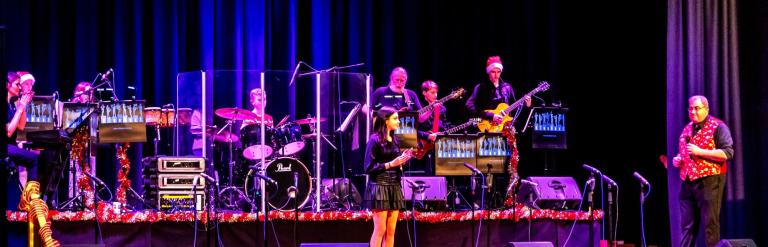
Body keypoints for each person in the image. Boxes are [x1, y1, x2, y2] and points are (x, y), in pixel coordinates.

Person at [672, 95, 733, 247]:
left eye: (697, 108)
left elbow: (727, 153)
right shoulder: (687, 129)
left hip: (710, 180)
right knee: (687, 226)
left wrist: (701, 151)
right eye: (690, 108)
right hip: (688, 181)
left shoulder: (718, 126)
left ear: (706, 109)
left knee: (710, 225)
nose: (693, 112)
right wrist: (678, 159)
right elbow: (686, 153)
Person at [363, 106, 414, 247]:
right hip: (380, 186)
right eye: (395, 118)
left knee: (391, 230)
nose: (398, 122)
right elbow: (368, 167)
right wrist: (391, 164)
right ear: (386, 120)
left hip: (394, 186)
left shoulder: (395, 139)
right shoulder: (374, 140)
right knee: (380, 229)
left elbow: (395, 162)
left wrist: (402, 160)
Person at [465, 56, 531, 129]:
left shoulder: (507, 87)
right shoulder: (480, 87)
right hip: (487, 126)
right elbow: (469, 105)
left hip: (504, 126)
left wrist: (526, 104)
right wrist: (491, 116)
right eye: (493, 72)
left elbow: (514, 108)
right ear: (488, 72)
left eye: (498, 72)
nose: (496, 75)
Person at [6, 71, 39, 185]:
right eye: (17, 84)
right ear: (7, 85)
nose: (20, 88)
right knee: (33, 159)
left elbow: (20, 126)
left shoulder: (11, 104)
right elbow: (9, 132)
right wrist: (20, 108)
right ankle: (31, 197)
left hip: (11, 145)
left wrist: (23, 105)